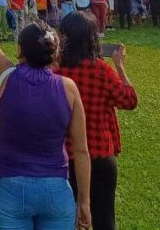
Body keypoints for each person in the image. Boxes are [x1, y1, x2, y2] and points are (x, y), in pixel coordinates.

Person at [0, 0, 91, 230]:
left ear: (20, 50)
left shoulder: (7, 78)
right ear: (55, 53)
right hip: (55, 188)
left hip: (10, 186)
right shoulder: (68, 88)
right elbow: (81, 150)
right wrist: (84, 201)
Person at [56, 12, 137, 230]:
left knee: (67, 219)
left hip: (66, 154)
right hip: (100, 152)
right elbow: (129, 100)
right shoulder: (101, 69)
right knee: (104, 219)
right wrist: (120, 67)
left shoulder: (56, 70)